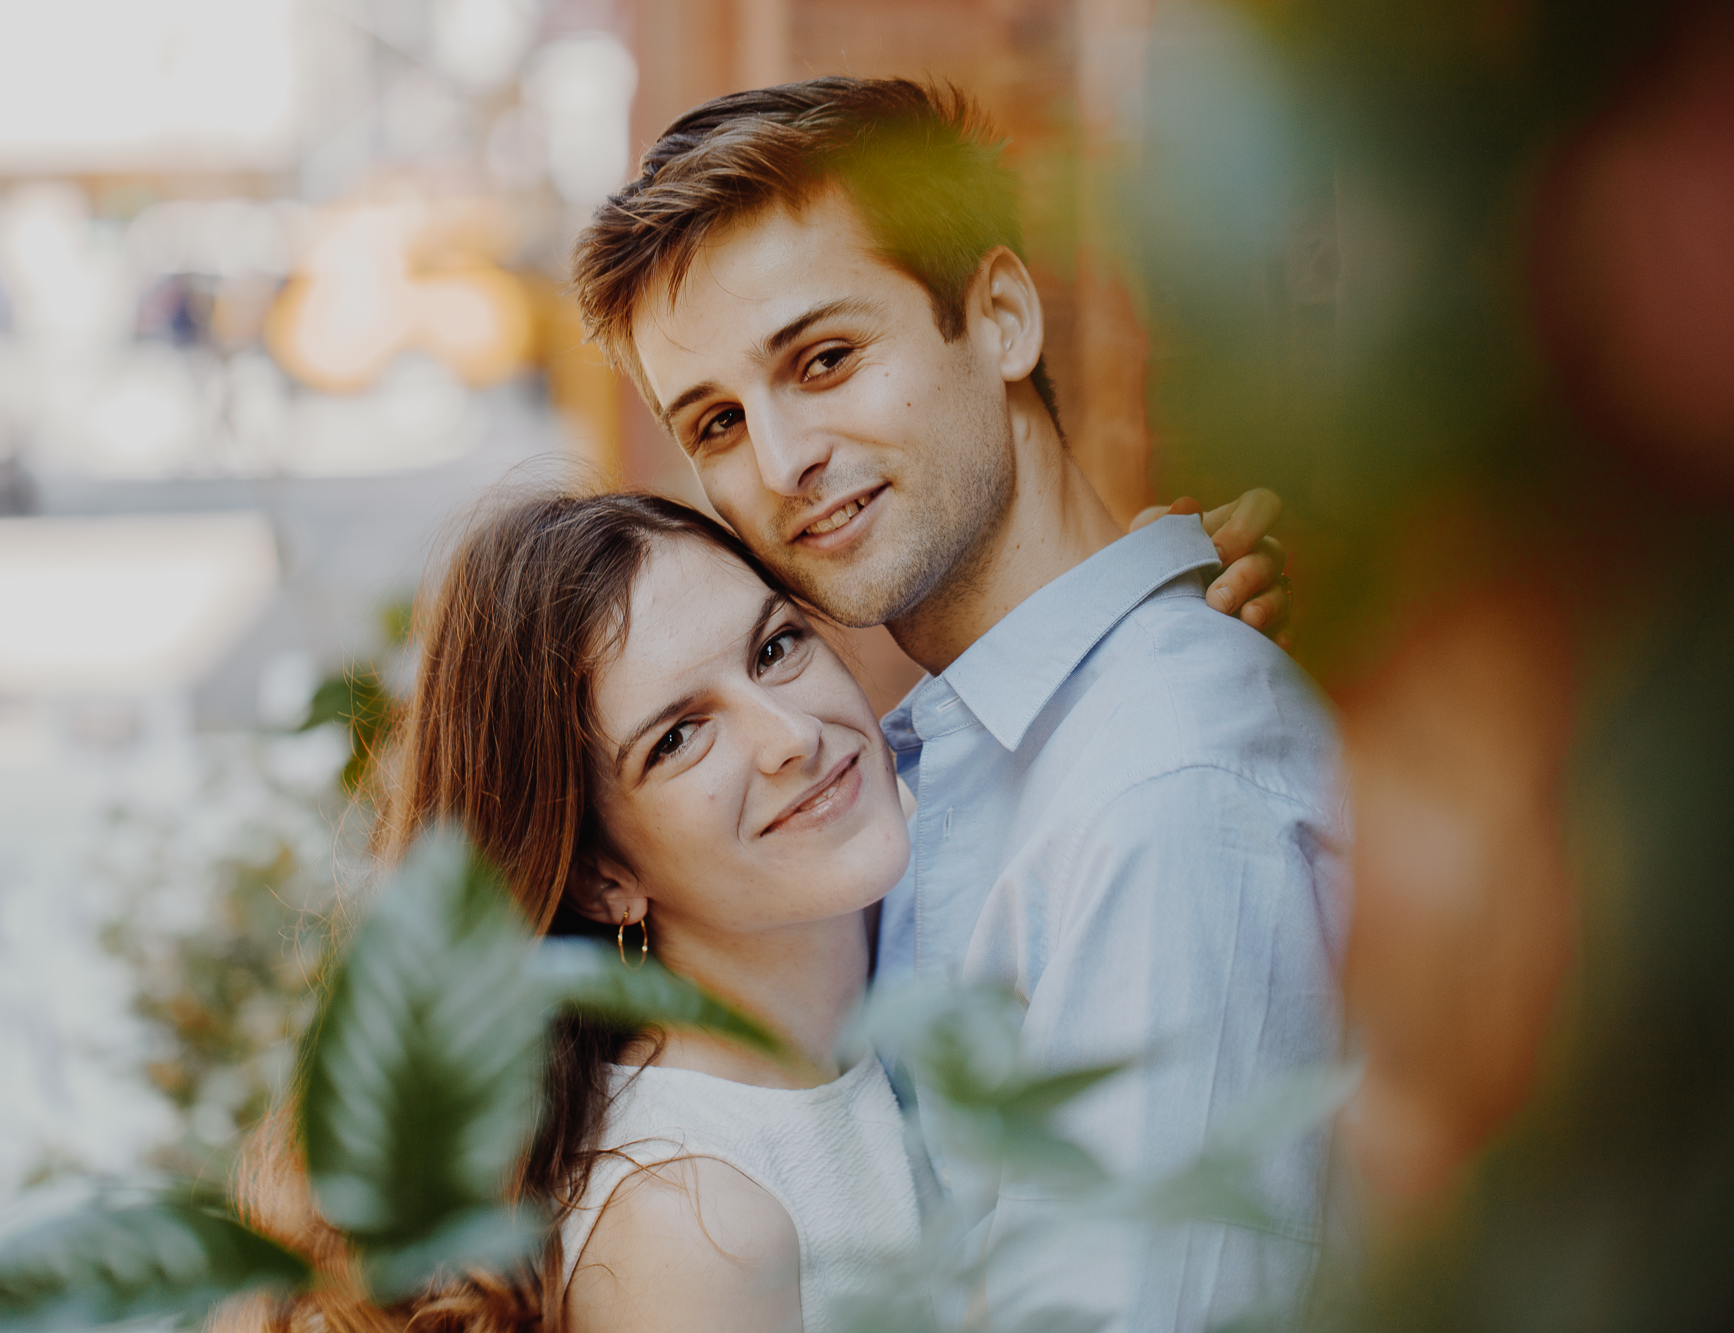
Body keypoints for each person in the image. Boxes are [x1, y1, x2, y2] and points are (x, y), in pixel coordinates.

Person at [569, 78, 1343, 1330]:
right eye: (715, 421)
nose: (779, 463)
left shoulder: (1157, 794)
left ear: (996, 317)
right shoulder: (926, 768)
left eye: (823, 358)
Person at [234, 485, 1288, 1333]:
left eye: (775, 645)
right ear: (603, 880)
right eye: (678, 736)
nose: (788, 733)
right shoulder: (697, 1229)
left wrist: (1137, 649)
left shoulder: (867, 947)